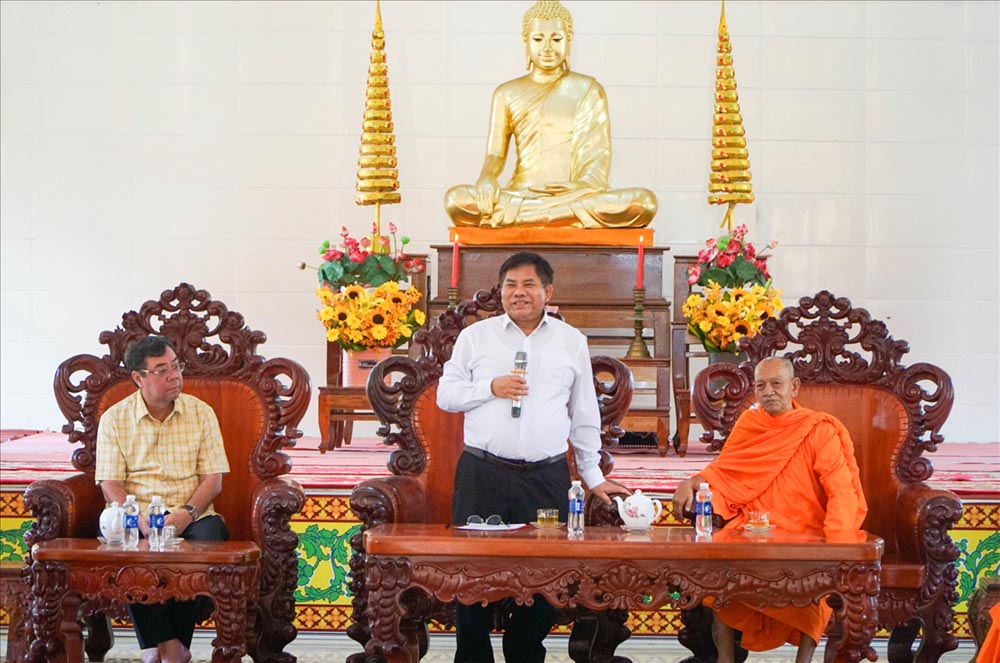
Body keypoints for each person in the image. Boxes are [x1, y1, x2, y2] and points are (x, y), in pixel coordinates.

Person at [437, 251, 629, 663]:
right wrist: (491, 386)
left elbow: (584, 414)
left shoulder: (570, 341)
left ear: (547, 292)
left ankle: (525, 650)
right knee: (470, 574)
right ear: (499, 291)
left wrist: (594, 477)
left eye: (527, 285)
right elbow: (446, 396)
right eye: (510, 285)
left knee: (544, 576)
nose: (518, 293)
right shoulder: (476, 337)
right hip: (482, 473)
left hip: (545, 477)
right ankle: (473, 656)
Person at [672, 356, 868, 663]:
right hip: (752, 527)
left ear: (794, 387)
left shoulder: (818, 429)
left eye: (777, 384)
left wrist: (838, 541)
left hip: (805, 528)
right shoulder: (750, 424)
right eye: (761, 385)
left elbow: (840, 487)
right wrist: (692, 482)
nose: (769, 392)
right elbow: (724, 472)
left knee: (816, 588)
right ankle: (725, 659)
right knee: (720, 581)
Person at [443, 0, 657, 229]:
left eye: (556, 39)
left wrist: (582, 186)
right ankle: (554, 218)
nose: (547, 47)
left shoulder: (588, 89)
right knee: (456, 200)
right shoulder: (506, 93)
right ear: (525, 41)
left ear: (569, 40)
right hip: (521, 194)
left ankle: (525, 220)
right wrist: (486, 177)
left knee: (643, 202)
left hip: (573, 196)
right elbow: (495, 155)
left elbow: (597, 158)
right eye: (538, 39)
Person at [95, 335, 231, 663]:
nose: (174, 376)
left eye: (175, 366)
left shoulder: (201, 413)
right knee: (130, 550)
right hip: (137, 513)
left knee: (208, 540)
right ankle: (172, 649)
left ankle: (161, 647)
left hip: (193, 514)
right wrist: (137, 518)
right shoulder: (115, 419)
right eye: (161, 370)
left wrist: (185, 514)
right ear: (138, 378)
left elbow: (213, 480)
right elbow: (110, 483)